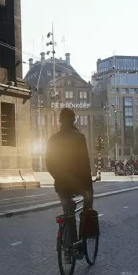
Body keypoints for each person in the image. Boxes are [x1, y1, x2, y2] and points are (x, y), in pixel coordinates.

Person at [46, 108, 93, 263]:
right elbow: (85, 164)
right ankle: (83, 234)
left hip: (61, 184)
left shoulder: (52, 139)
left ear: (60, 120)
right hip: (78, 183)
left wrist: (59, 177)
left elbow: (49, 164)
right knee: (87, 203)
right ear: (74, 120)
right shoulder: (79, 137)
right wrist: (87, 189)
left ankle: (68, 251)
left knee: (67, 212)